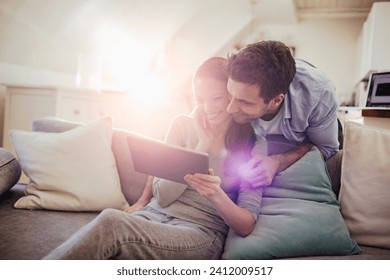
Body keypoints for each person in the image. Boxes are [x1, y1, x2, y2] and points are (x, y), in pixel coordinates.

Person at [43, 57, 263, 260]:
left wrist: (216, 194)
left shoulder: (254, 143)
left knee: (112, 222)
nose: (207, 108)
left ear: (232, 95)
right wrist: (201, 146)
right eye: (200, 99)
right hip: (152, 217)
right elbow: (163, 195)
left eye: (216, 98)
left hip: (200, 232)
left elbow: (245, 225)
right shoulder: (182, 125)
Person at [226, 40, 339, 189]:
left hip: (308, 137)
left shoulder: (318, 96)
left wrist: (278, 162)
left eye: (245, 102)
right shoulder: (232, 77)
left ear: (276, 100)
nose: (230, 108)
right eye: (229, 94)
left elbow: (326, 148)